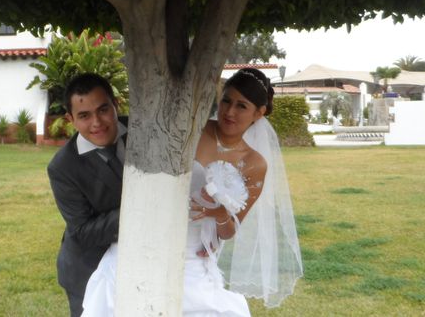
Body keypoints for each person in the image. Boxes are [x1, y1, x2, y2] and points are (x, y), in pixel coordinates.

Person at [81, 68, 303, 315]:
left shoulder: (255, 164)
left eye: (242, 106)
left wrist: (219, 213)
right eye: (226, 100)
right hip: (152, 234)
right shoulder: (193, 130)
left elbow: (230, 231)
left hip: (194, 252)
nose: (229, 112)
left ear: (258, 113)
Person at [47, 73, 127, 317]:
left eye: (103, 109)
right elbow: (82, 231)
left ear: (116, 104)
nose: (96, 122)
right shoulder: (62, 167)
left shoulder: (147, 132)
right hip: (88, 269)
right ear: (70, 119)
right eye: (84, 115)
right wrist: (140, 210)